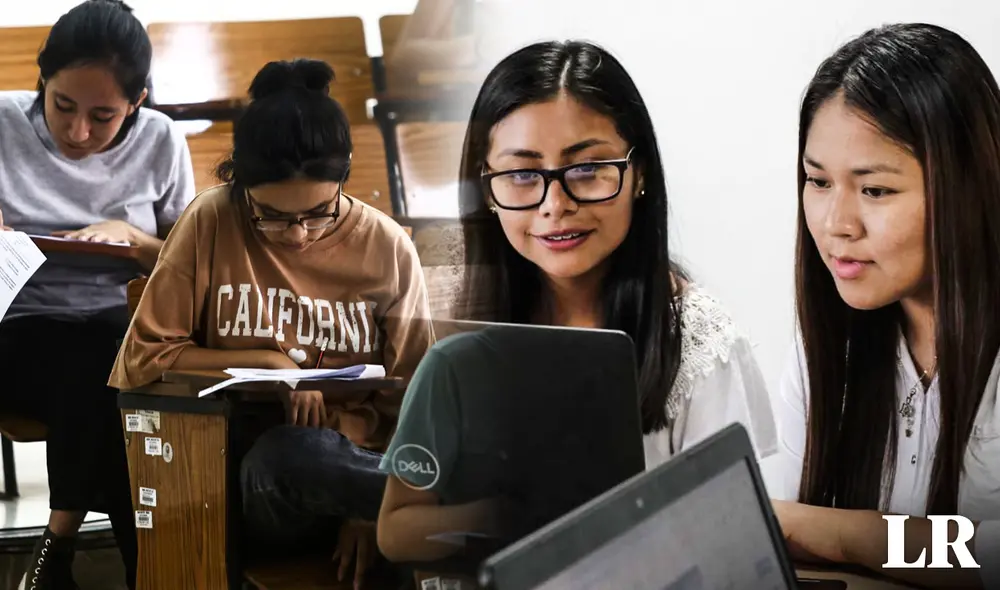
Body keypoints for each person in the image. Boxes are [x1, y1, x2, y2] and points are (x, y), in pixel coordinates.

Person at [376, 40, 779, 566]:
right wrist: (504, 515)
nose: (555, 205)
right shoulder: (461, 342)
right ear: (488, 189)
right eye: (522, 175)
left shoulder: (699, 345)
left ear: (639, 173)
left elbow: (728, 545)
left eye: (588, 169)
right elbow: (400, 525)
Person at [109, 58, 435, 589]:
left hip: (365, 474)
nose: (299, 234)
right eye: (273, 216)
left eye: (320, 211)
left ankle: (401, 509)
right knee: (288, 454)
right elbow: (146, 356)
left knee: (397, 547)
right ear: (239, 182)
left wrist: (362, 511)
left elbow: (418, 394)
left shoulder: (386, 245)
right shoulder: (211, 221)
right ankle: (446, 507)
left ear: (344, 179)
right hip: (253, 487)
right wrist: (270, 364)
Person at [767, 23, 1000, 590]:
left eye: (874, 190)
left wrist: (849, 535)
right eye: (817, 181)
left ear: (967, 186)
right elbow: (776, 525)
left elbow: (989, 558)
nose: (836, 224)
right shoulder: (828, 346)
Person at [0, 1, 195, 588]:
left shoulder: (161, 140)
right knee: (112, 381)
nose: (78, 131)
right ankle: (126, 569)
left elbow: (190, 267)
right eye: (62, 105)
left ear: (137, 102)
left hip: (120, 333)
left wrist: (135, 241)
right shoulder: (3, 122)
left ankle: (55, 554)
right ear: (42, 79)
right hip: (17, 329)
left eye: (103, 115)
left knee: (112, 370)